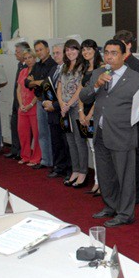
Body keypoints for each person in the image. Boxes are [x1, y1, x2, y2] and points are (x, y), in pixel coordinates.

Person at [81, 39, 139, 227]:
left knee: (125, 177)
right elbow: (84, 96)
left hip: (122, 134)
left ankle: (125, 214)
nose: (109, 57)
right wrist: (96, 85)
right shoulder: (99, 73)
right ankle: (110, 206)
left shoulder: (136, 78)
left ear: (123, 55)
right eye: (106, 53)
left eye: (114, 53)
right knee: (105, 175)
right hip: (101, 132)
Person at [114, 30, 139, 203]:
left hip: (131, 117)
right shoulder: (114, 64)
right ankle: (122, 191)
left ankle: (136, 193)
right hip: (116, 118)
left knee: (133, 157)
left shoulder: (136, 65)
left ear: (129, 45)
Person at [57, 39, 89, 188]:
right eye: (67, 50)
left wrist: (69, 104)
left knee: (79, 141)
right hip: (64, 109)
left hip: (77, 108)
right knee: (70, 141)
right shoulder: (64, 67)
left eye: (73, 49)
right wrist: (61, 103)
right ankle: (75, 170)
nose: (70, 52)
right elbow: (59, 86)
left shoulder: (83, 67)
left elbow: (80, 88)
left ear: (79, 50)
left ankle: (83, 172)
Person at [78, 39, 103, 196]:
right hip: (84, 114)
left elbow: (100, 95)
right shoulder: (85, 68)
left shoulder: (102, 68)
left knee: (98, 150)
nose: (86, 52)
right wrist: (81, 111)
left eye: (89, 49)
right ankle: (96, 182)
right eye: (83, 50)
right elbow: (81, 92)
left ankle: (101, 183)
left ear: (95, 50)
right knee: (92, 149)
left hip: (96, 113)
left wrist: (89, 114)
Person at [42, 43, 72, 179]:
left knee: (68, 143)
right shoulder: (53, 69)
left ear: (65, 53)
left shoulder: (69, 69)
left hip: (64, 111)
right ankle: (59, 167)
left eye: (58, 53)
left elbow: (68, 94)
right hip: (52, 112)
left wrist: (54, 105)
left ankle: (70, 170)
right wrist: (45, 102)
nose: (55, 55)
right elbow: (46, 87)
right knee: (56, 142)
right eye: (53, 53)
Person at [25, 40, 56, 169]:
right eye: (36, 50)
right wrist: (38, 82)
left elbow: (47, 83)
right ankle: (45, 160)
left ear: (47, 49)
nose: (39, 52)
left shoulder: (53, 64)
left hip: (50, 103)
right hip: (39, 101)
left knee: (52, 133)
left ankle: (54, 162)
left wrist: (35, 82)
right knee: (42, 133)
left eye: (41, 49)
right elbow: (27, 83)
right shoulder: (37, 65)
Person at [16, 49, 42, 166]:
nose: (28, 60)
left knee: (37, 134)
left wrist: (31, 104)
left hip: (34, 107)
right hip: (23, 107)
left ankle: (36, 158)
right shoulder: (22, 71)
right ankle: (25, 156)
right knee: (23, 133)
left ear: (35, 58)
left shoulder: (38, 71)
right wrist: (21, 104)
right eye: (25, 58)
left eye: (30, 57)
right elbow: (18, 89)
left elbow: (39, 90)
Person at [5, 42, 29, 160]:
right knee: (14, 125)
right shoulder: (20, 65)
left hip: (25, 102)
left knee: (24, 129)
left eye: (17, 52)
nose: (15, 54)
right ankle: (15, 150)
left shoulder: (28, 66)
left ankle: (22, 152)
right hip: (16, 100)